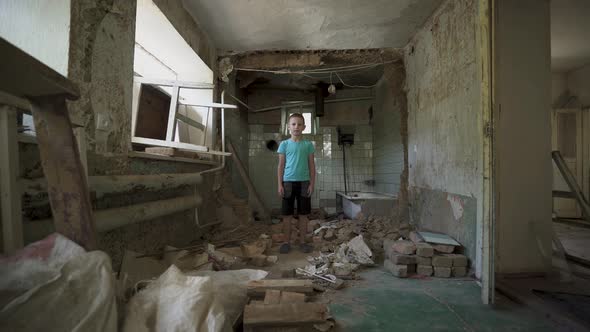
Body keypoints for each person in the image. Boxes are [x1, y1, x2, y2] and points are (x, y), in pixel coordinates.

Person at [277, 113, 316, 254]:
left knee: (303, 215)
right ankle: (286, 242)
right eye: (293, 124)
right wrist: (279, 184)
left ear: (304, 127)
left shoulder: (308, 145)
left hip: (304, 183)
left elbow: (312, 166)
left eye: (299, 124)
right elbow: (280, 166)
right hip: (287, 183)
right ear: (288, 127)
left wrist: (312, 184)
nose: (296, 127)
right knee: (287, 215)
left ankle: (303, 242)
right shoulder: (284, 144)